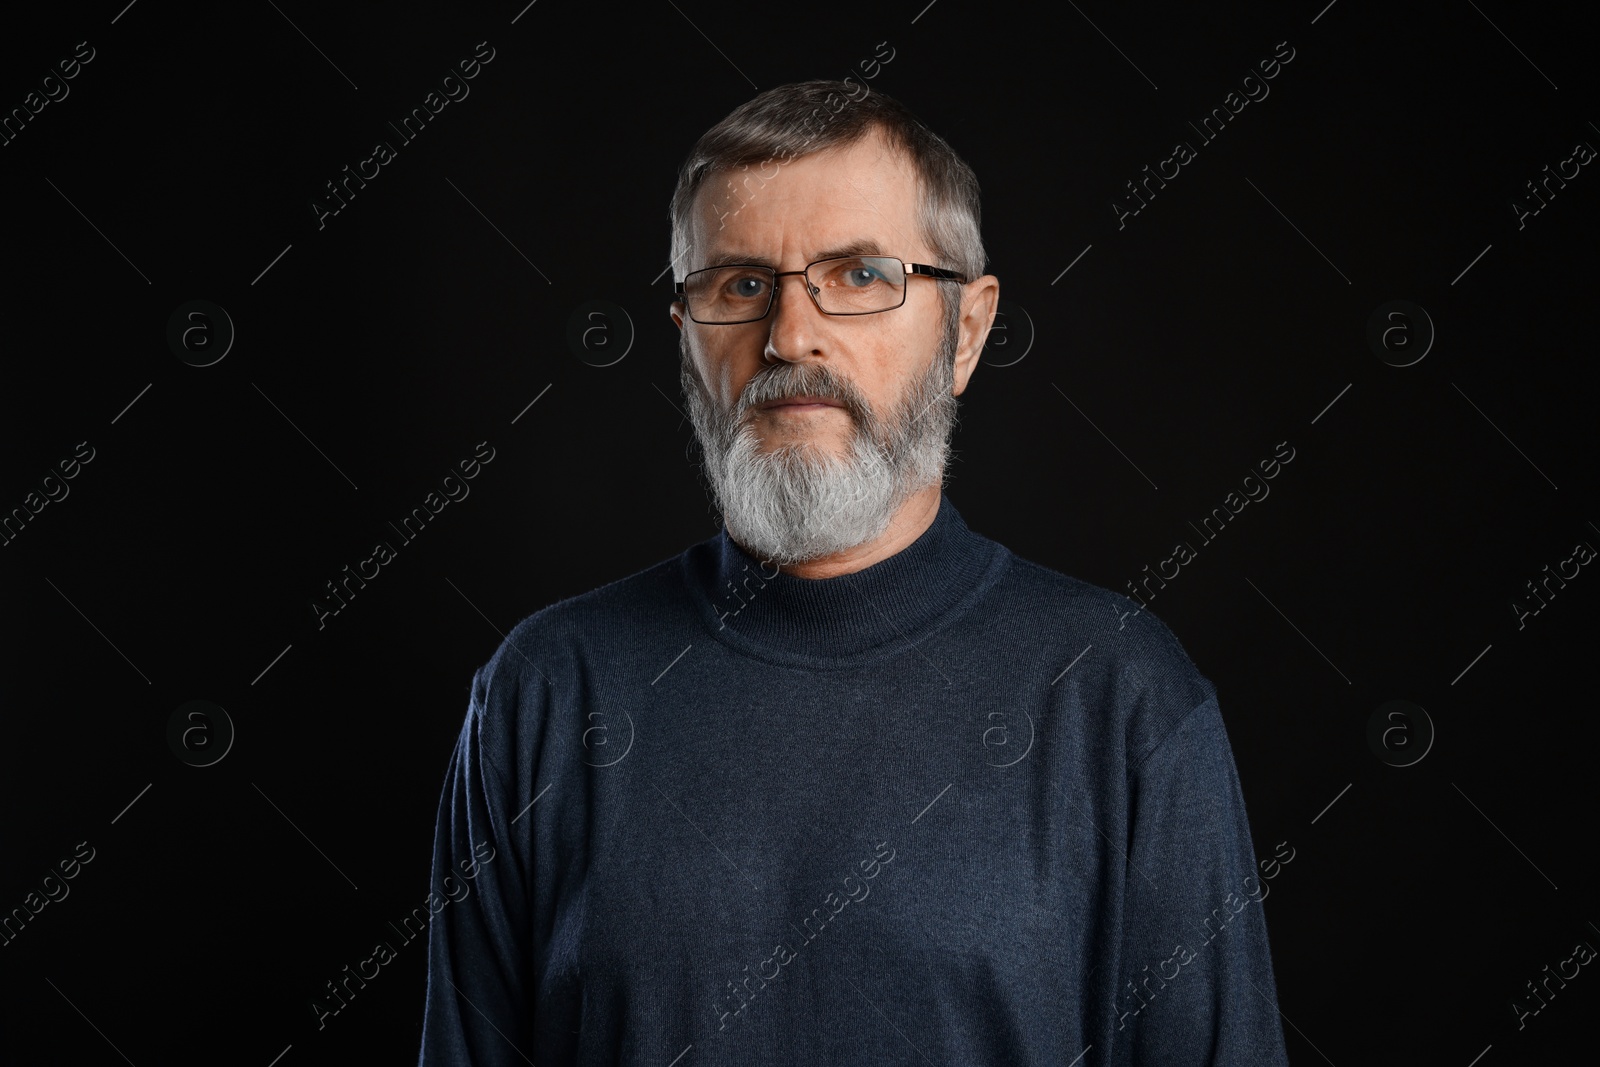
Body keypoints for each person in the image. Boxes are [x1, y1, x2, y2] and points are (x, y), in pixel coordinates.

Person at [417, 78, 1291, 1066]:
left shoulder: (1122, 698)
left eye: (861, 274)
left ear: (964, 331)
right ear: (685, 343)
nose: (790, 337)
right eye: (739, 285)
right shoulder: (542, 694)